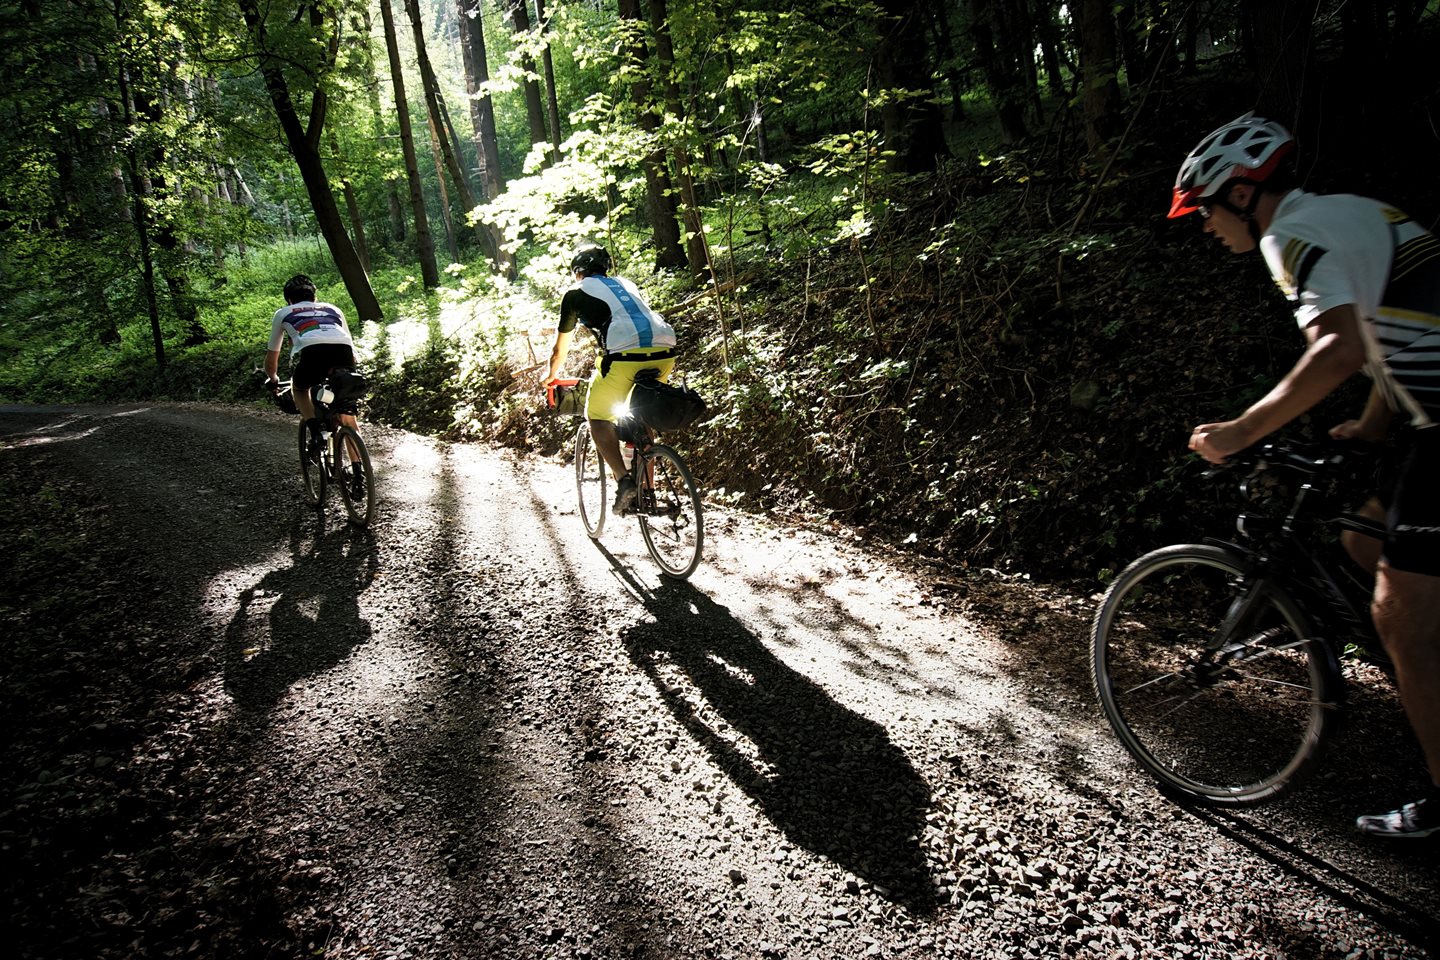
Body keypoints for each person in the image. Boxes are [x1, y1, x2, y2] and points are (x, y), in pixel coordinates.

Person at [1171, 113, 1440, 838]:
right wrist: (1376, 425)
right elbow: (1405, 329)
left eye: (1202, 208)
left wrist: (1236, 433)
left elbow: (1338, 349)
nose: (1203, 225)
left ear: (1239, 193)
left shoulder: (1291, 235)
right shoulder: (1351, 214)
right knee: (1362, 543)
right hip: (1425, 427)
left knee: (1400, 616)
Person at [542, 244, 677, 513]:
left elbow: (560, 349)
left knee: (598, 417)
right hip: (666, 352)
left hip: (623, 358)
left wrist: (551, 375)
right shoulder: (625, 284)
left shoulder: (575, 294)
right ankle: (648, 493)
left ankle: (625, 481)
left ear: (578, 272)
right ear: (605, 269)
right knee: (641, 414)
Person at [264, 274, 364, 490]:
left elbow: (272, 358)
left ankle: (315, 429)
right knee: (347, 415)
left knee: (300, 387)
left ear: (289, 300)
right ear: (314, 297)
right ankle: (359, 474)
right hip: (344, 355)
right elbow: (351, 350)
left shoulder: (283, 313)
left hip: (313, 355)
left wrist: (272, 379)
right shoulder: (333, 309)